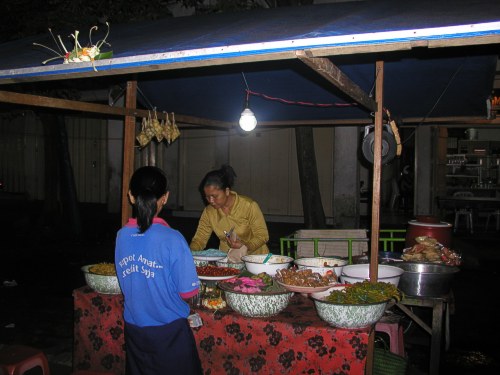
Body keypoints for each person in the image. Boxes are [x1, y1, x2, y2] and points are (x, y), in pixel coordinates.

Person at [115, 166, 202, 375]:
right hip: (170, 333)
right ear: (165, 198)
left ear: (131, 197)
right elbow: (188, 292)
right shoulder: (173, 238)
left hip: (135, 331)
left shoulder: (121, 236)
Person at [190, 165, 269, 262]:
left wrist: (245, 247)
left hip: (256, 261)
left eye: (214, 196)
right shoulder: (209, 212)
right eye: (207, 197)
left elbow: (262, 235)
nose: (211, 201)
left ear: (227, 191)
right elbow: (199, 239)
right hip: (227, 262)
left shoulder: (249, 206)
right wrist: (189, 253)